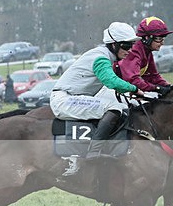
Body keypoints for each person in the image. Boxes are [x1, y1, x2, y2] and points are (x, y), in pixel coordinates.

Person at [51, 22, 144, 160]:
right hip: (65, 100)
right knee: (115, 107)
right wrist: (134, 89)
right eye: (126, 45)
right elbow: (111, 81)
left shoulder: (104, 55)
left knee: (122, 106)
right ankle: (94, 152)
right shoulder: (101, 57)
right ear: (114, 44)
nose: (129, 50)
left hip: (71, 98)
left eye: (131, 45)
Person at [116, 16, 172, 97]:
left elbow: (153, 76)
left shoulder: (147, 50)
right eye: (159, 38)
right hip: (111, 89)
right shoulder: (134, 51)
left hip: (125, 88)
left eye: (163, 39)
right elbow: (133, 80)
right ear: (147, 37)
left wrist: (167, 86)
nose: (162, 43)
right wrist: (156, 88)